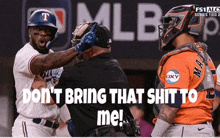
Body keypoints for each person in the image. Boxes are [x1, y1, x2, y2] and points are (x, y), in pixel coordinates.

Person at [12, 9, 97, 137]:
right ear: (30, 31)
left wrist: (69, 120)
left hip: (52, 129)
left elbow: (56, 96)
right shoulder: (24, 55)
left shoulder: (54, 58)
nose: (43, 34)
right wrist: (77, 49)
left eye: (48, 31)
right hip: (30, 125)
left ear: (53, 35)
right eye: (39, 29)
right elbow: (44, 63)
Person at [49, 22, 140, 137]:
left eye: (80, 44)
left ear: (88, 47)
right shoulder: (116, 68)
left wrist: (40, 83)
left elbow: (49, 100)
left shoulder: (75, 73)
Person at [151, 4, 217, 137]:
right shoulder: (205, 57)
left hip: (183, 130)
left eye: (171, 23)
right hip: (204, 130)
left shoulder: (179, 59)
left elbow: (172, 105)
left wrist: (154, 136)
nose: (167, 28)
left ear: (181, 24)